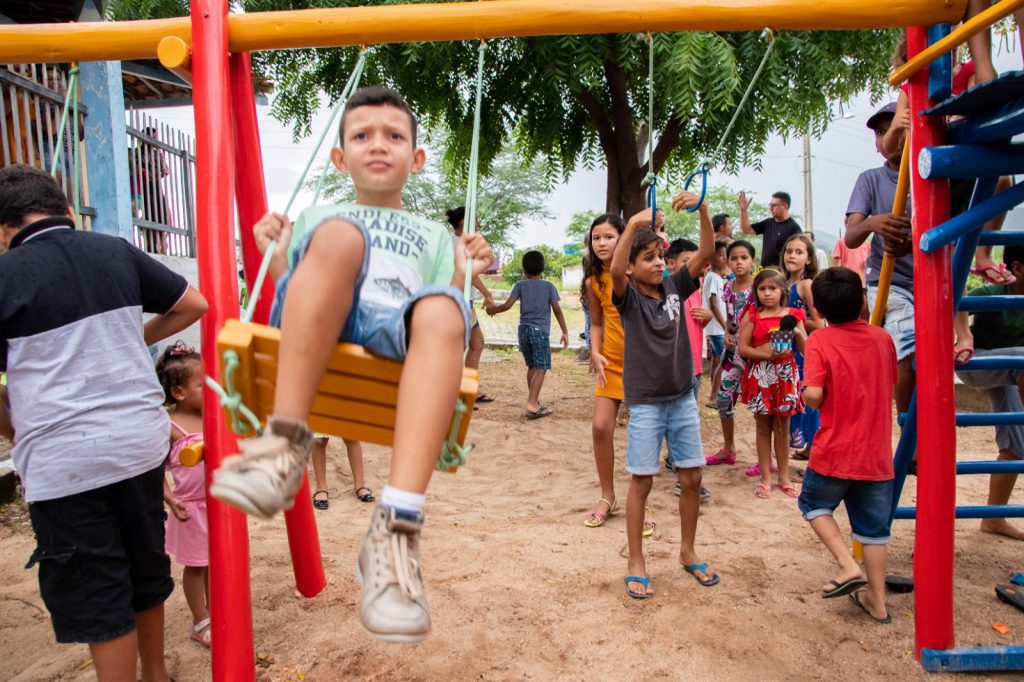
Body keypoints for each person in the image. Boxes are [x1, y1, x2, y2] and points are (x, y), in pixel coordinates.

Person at [210, 86, 494, 644]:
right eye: (361, 136)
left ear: (416, 159)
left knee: (444, 307)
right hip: (331, 318)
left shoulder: (437, 234)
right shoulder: (322, 215)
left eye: (394, 135)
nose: (377, 145)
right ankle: (283, 444)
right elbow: (297, 295)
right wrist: (279, 245)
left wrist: (469, 265)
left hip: (394, 331)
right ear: (340, 158)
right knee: (340, 236)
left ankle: (396, 531)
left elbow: (446, 304)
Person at [0, 164, 208, 680]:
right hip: (139, 445)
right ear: (66, 211)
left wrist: (16, 432)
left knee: (98, 589)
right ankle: (156, 674)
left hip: (65, 461)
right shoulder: (114, 249)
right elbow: (193, 304)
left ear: (4, 229)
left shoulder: (5, 275)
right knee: (144, 569)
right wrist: (128, 345)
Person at [611, 195, 719, 599]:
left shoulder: (676, 285)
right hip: (645, 403)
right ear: (634, 267)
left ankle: (687, 551)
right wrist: (633, 224)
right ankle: (636, 561)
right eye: (649, 258)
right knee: (642, 482)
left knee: (692, 476)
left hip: (682, 397)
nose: (658, 263)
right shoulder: (628, 297)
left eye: (661, 256)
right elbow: (615, 268)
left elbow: (707, 251)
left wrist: (703, 209)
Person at [250, 202, 374, 511]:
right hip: (319, 379)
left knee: (349, 436)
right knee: (321, 439)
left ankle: (360, 482)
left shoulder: (353, 304)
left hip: (338, 377)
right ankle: (322, 486)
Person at [799, 267, 897, 624]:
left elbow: (814, 395)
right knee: (874, 532)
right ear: (863, 301)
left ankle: (845, 564)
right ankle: (878, 601)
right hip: (876, 458)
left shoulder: (820, 341)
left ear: (820, 312)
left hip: (835, 452)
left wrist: (805, 391)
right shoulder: (883, 338)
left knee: (812, 502)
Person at [845, 102, 916, 413]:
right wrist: (874, 223)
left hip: (932, 277)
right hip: (890, 281)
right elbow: (851, 236)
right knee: (905, 348)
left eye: (896, 127)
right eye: (882, 133)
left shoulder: (928, 171)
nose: (889, 137)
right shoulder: (870, 179)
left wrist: (912, 239)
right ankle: (906, 425)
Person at [955, 245, 1024, 541]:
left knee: (1015, 446)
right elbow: (957, 301)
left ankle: (993, 517)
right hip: (977, 363)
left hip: (1011, 373)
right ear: (1017, 268)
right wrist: (963, 336)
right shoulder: (994, 293)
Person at [156, 342, 211, 648]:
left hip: (219, 503)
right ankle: (200, 621)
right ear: (178, 393)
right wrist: (169, 498)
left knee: (216, 562)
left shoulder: (212, 416)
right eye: (203, 385)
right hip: (191, 508)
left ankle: (217, 612)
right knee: (197, 566)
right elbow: (156, 468)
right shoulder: (171, 426)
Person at [739, 267, 808, 499]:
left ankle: (784, 478)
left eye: (772, 288)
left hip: (786, 374)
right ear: (756, 291)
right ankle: (766, 477)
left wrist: (799, 334)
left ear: (782, 290)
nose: (767, 293)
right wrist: (768, 355)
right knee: (762, 427)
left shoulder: (794, 315)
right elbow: (743, 348)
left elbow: (806, 349)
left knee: (783, 428)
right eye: (762, 288)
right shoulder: (752, 314)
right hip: (761, 374)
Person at [486, 250, 569, 419]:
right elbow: (557, 310)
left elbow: (507, 305)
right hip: (539, 332)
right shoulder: (549, 286)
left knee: (532, 366)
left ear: (524, 269)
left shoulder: (520, 285)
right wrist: (565, 331)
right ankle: (532, 403)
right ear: (542, 268)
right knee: (542, 367)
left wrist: (491, 309)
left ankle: (534, 401)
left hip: (523, 330)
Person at [665, 238, 712, 502]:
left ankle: (675, 459)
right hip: (675, 368)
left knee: (685, 420)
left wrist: (708, 317)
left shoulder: (697, 287)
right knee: (683, 423)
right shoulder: (667, 290)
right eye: (687, 262)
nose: (694, 267)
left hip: (694, 365)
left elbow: (697, 326)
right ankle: (684, 477)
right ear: (671, 264)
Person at [707, 240, 756, 466]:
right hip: (732, 354)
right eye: (733, 258)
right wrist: (727, 331)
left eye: (743, 258)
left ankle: (766, 458)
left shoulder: (759, 287)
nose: (738, 262)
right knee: (724, 399)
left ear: (752, 261)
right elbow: (729, 317)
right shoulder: (728, 287)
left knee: (761, 406)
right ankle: (729, 448)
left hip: (754, 355)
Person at [446, 206, 497, 403]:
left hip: (465, 301)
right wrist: (487, 293)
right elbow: (469, 273)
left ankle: (468, 391)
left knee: (476, 344)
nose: (478, 224)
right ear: (464, 223)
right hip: (459, 302)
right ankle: (456, 395)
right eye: (475, 221)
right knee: (460, 349)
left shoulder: (455, 242)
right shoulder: (457, 244)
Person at [782, 234, 824, 459]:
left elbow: (818, 323)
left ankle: (813, 447)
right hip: (787, 349)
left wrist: (790, 318)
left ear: (808, 259)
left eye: (799, 252)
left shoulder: (806, 285)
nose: (792, 256)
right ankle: (806, 448)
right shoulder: (784, 283)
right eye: (789, 251)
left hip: (805, 350)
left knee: (806, 399)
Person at [737, 190, 802, 268]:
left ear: (785, 206)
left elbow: (798, 253)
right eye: (770, 205)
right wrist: (743, 210)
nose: (771, 208)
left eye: (774, 205)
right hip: (765, 271)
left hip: (781, 274)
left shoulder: (794, 228)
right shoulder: (768, 223)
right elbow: (746, 229)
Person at [702, 240, 729, 408]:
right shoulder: (711, 277)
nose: (724, 259)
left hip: (718, 327)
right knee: (725, 361)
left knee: (718, 359)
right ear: (711, 257)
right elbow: (713, 304)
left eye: (726, 256)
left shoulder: (719, 278)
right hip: (717, 327)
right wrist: (724, 324)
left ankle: (715, 394)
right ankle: (715, 397)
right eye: (720, 255)